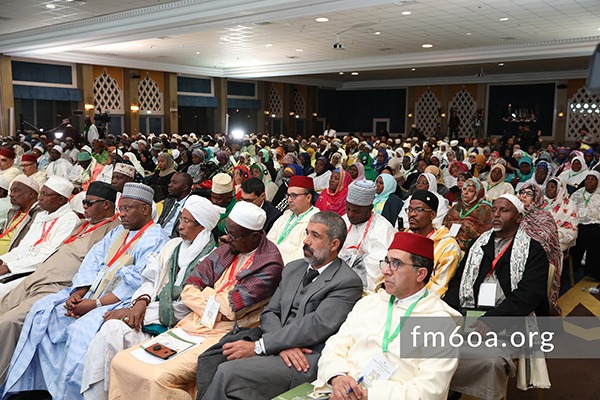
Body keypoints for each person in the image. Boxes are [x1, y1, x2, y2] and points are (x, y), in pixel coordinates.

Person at [2, 183, 169, 400]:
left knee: (79, 332)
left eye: (128, 209)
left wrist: (95, 304)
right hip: (91, 294)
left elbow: (138, 282)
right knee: (44, 311)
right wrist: (78, 294)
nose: (122, 214)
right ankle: (38, 387)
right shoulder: (120, 230)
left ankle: (68, 394)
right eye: (121, 208)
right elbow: (92, 261)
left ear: (146, 210)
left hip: (117, 302)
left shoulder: (156, 238)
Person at [108, 201, 284, 400]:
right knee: (122, 361)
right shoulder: (229, 248)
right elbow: (188, 290)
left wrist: (205, 293)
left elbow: (230, 309)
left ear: (254, 236)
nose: (226, 237)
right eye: (228, 230)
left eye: (234, 235)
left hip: (224, 332)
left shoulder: (269, 264)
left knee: (157, 377)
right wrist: (211, 297)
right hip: (192, 324)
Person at [197, 211, 363, 400]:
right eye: (307, 233)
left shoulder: (347, 281)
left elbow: (315, 326)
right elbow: (270, 312)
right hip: (280, 347)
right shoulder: (294, 268)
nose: (306, 241)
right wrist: (278, 346)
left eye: (315, 236)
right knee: (210, 360)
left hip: (305, 358)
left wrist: (263, 346)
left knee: (228, 373)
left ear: (334, 245)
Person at [81, 195, 223, 399]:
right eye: (180, 219)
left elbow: (185, 305)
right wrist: (140, 302)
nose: (180, 226)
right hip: (149, 316)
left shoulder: (211, 258)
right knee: (109, 331)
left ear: (202, 226)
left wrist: (140, 313)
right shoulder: (172, 246)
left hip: (176, 328)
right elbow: (150, 279)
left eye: (186, 221)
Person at [313, 231, 461, 399]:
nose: (385, 271)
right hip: (341, 392)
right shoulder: (369, 303)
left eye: (396, 264)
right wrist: (337, 377)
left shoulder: (438, 321)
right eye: (386, 262)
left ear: (420, 274)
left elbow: (429, 391)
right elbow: (335, 346)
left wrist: (367, 395)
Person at [0, 182, 120, 385]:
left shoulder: (112, 228)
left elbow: (99, 266)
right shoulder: (83, 223)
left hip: (57, 285)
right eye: (84, 202)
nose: (85, 207)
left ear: (107, 205)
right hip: (37, 277)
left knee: (9, 322)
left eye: (90, 203)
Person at [445, 195, 550, 399]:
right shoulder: (479, 244)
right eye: (494, 210)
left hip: (511, 320)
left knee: (486, 358)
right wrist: (451, 312)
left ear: (518, 218)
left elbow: (529, 295)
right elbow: (457, 281)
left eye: (504, 210)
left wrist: (493, 320)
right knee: (435, 343)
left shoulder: (533, 250)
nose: (496, 214)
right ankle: (446, 390)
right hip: (473, 313)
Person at [0, 176, 80, 297]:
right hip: (19, 265)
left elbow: (47, 257)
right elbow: (23, 248)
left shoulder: (70, 219)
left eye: (45, 195)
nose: (40, 198)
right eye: (41, 193)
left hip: (38, 272)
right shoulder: (42, 215)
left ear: (60, 199)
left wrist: (9, 267)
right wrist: (4, 260)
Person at [403, 190, 461, 297]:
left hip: (426, 303)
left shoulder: (448, 246)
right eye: (410, 209)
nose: (412, 214)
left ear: (433, 215)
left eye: (419, 210)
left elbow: (438, 287)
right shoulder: (403, 238)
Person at [339, 180, 395, 291]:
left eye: (356, 211)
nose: (350, 214)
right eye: (348, 208)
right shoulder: (344, 220)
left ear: (370, 208)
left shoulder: (383, 228)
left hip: (360, 286)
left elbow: (376, 267)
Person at [517, 183, 562, 314]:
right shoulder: (513, 212)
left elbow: (546, 240)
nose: (523, 196)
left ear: (536, 197)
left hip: (537, 260)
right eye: (521, 192)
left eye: (529, 194)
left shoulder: (544, 216)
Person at [267, 176, 319, 265]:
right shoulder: (286, 215)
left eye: (294, 195)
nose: (289, 200)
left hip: (288, 270)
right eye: (288, 195)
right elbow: (268, 241)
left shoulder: (315, 222)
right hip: (270, 264)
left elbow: (301, 258)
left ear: (308, 198)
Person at [443, 178, 493, 251]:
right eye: (464, 189)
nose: (465, 193)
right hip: (449, 244)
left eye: (471, 191)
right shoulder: (457, 206)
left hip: (473, 249)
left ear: (478, 193)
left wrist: (466, 244)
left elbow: (486, 235)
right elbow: (444, 225)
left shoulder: (484, 210)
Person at [570, 171, 600, 279]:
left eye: (593, 179)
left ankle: (592, 272)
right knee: (576, 242)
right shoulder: (577, 194)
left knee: (595, 239)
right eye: (587, 179)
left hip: (595, 226)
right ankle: (572, 270)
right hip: (578, 225)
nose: (589, 182)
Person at [542, 177, 579, 253]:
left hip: (560, 236)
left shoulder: (569, 204)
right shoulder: (541, 201)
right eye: (547, 187)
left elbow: (571, 227)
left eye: (552, 187)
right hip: (540, 233)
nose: (548, 189)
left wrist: (551, 233)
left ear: (560, 189)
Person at [156, 172, 192, 238]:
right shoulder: (169, 200)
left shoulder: (190, 206)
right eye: (170, 182)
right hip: (158, 235)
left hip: (173, 240)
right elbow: (160, 221)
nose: (169, 185)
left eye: (174, 183)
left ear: (185, 187)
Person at [210, 172, 237, 240]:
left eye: (218, 199)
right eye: (212, 197)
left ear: (229, 198)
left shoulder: (237, 209)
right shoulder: (212, 206)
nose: (214, 201)